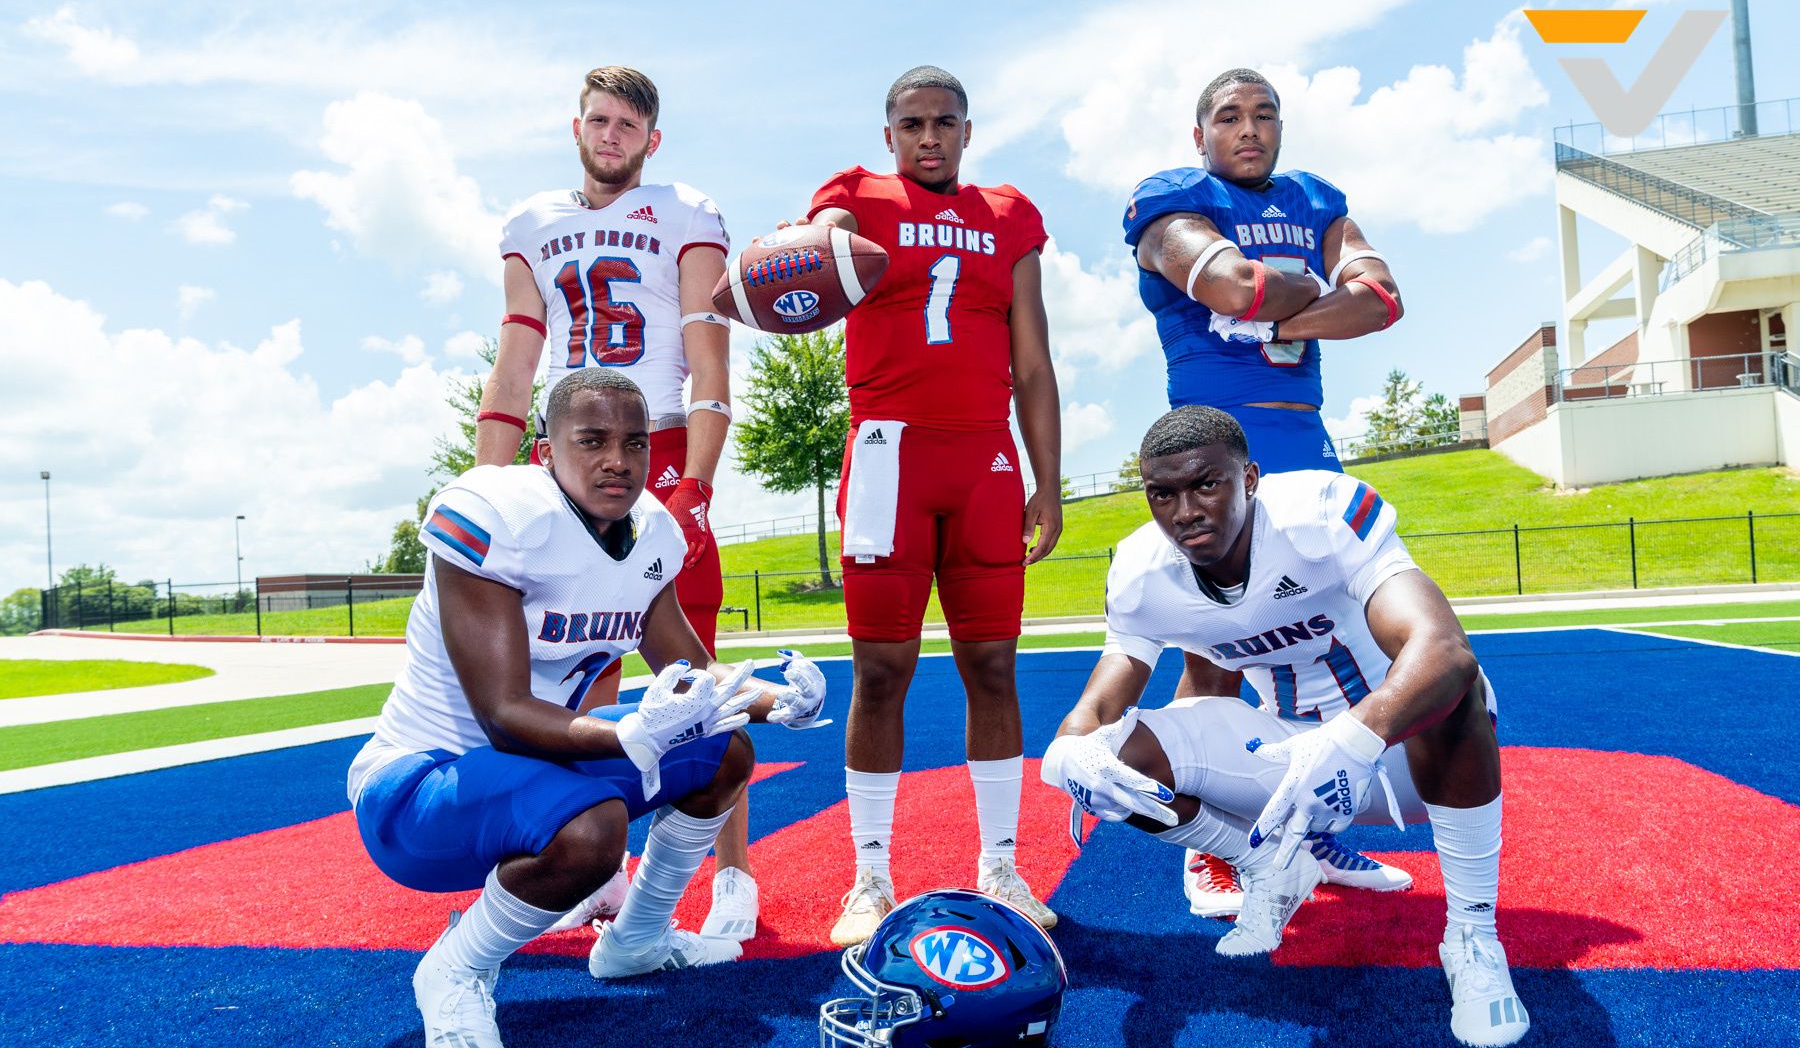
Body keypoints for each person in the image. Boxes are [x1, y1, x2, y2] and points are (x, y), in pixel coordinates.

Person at [347, 369, 831, 1048]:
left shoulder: (650, 533)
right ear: (546, 452)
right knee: (594, 826)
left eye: (635, 443)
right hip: (421, 788)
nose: (619, 460)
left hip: (537, 769)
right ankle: (453, 970)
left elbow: (693, 676)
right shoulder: (497, 517)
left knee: (724, 750)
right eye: (593, 440)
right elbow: (505, 715)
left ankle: (636, 940)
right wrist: (630, 735)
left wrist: (775, 697)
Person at [1042, 406, 1527, 1048]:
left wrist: (1353, 737)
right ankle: (1270, 860)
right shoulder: (1141, 572)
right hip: (1286, 773)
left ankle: (1471, 933)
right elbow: (1100, 704)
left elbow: (1444, 649)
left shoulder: (1320, 515)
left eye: (1205, 484)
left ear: (1249, 478)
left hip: (1404, 756)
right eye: (1164, 494)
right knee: (1114, 755)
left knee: (1452, 687)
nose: (1185, 511)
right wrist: (1070, 750)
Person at [476, 66, 758, 943]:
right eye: (599, 120)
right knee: (565, 672)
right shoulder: (530, 222)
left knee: (693, 670)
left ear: (651, 139)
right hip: (560, 455)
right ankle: (588, 869)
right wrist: (484, 484)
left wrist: (698, 480)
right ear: (576, 127)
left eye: (628, 124)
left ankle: (733, 870)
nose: (611, 135)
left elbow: (709, 356)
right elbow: (518, 361)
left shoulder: (686, 210)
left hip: (660, 440)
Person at [785, 65, 1064, 944]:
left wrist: (1046, 479)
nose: (930, 138)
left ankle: (1002, 866)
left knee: (993, 666)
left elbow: (1033, 362)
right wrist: (813, 238)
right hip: (884, 458)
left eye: (945, 123)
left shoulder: (1008, 214)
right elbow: (816, 244)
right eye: (912, 124)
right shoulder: (856, 197)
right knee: (879, 672)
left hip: (982, 456)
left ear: (968, 132)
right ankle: (869, 877)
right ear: (889, 134)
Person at [1122, 67, 1411, 913]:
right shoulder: (1174, 200)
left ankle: (1305, 830)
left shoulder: (1317, 199)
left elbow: (1382, 298)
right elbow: (1230, 285)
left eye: (1264, 115)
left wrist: (1281, 319)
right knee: (1215, 650)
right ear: (1199, 133)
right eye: (1228, 116)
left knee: (1332, 647)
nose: (1248, 130)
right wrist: (1302, 296)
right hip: (1214, 449)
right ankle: (1211, 852)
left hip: (1306, 443)